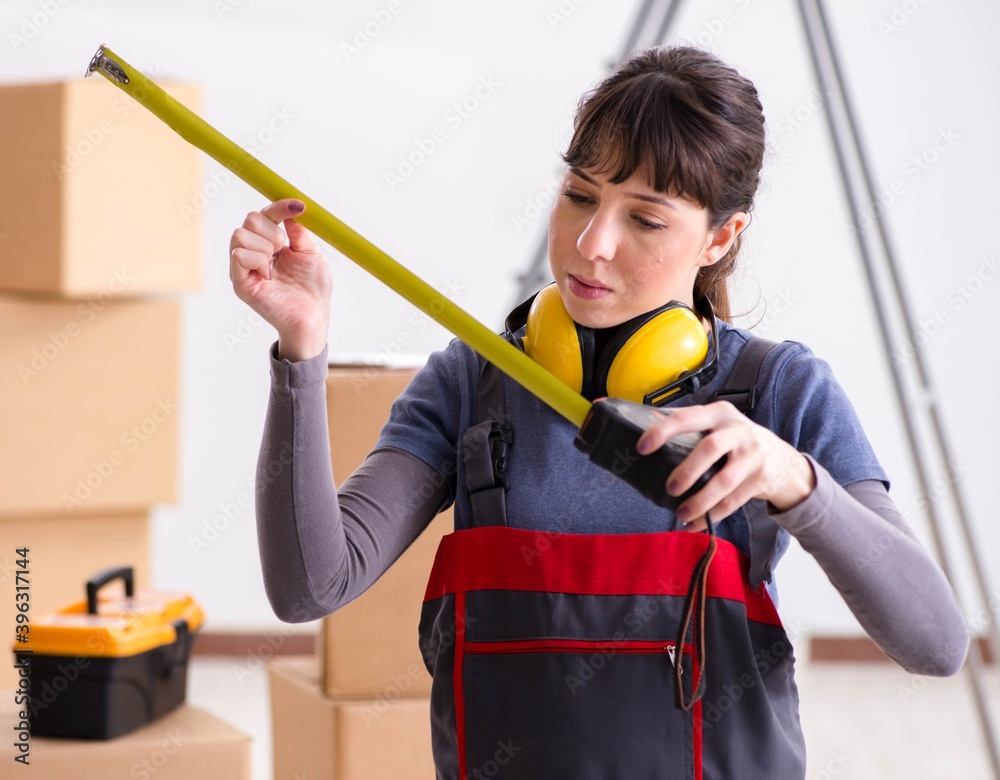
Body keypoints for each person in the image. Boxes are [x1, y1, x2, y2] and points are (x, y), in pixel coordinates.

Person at [230, 45, 968, 779]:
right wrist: (302, 349)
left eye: (645, 219)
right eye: (580, 196)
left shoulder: (780, 391)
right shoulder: (471, 384)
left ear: (720, 238)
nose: (591, 244)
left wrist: (797, 484)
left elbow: (936, 644)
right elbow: (309, 586)